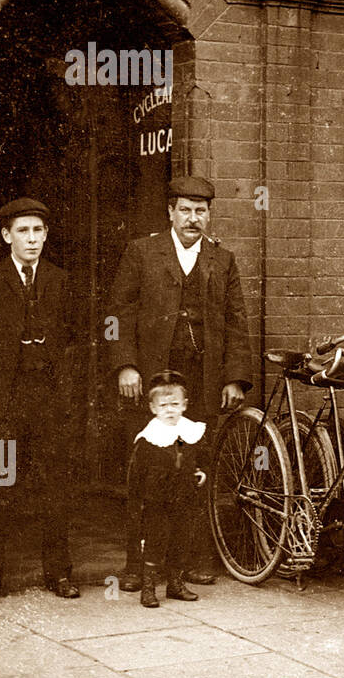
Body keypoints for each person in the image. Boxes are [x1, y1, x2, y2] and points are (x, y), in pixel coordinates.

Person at [107, 176, 252, 591]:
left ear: (209, 215)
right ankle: (137, 566)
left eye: (201, 211)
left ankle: (189, 563)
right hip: (151, 382)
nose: (193, 218)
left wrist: (234, 378)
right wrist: (126, 366)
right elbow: (118, 313)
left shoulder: (222, 260)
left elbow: (236, 323)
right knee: (145, 479)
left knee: (196, 474)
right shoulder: (142, 251)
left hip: (202, 384)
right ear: (170, 211)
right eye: (185, 210)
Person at [0, 198, 80, 602]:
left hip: (47, 399)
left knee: (55, 487)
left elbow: (72, 337)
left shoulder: (60, 281)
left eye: (38, 231)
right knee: (0, 487)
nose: (32, 239)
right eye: (23, 231)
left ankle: (59, 573)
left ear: (46, 235)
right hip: (6, 401)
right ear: (6, 236)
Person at [128, 371, 206, 608]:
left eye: (175, 404)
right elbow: (136, 473)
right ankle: (149, 588)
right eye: (163, 405)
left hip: (183, 496)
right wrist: (139, 500)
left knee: (180, 539)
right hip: (157, 500)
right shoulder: (150, 437)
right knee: (155, 541)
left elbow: (194, 457)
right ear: (153, 408)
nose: (170, 410)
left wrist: (199, 471)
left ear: (184, 405)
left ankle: (175, 584)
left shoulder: (189, 431)